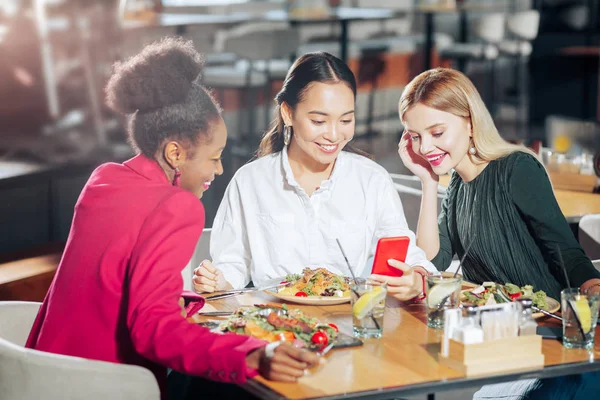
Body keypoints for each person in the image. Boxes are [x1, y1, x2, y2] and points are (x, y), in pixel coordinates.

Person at [25, 38, 319, 400]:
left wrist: (177, 299)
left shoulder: (103, 179)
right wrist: (253, 354)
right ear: (175, 153)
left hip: (40, 373)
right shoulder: (177, 207)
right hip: (102, 386)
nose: (220, 168)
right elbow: (152, 329)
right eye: (214, 157)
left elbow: (110, 281)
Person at [397, 67, 600, 399]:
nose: (425, 146)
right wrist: (428, 182)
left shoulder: (517, 169)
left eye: (436, 132)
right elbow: (433, 260)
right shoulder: (458, 187)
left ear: (470, 122)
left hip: (552, 344)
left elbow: (569, 255)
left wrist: (592, 287)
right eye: (415, 136)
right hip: (503, 343)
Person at [194, 51, 436, 301]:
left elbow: (405, 256)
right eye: (319, 121)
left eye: (346, 120)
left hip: (347, 317)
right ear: (288, 113)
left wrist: (416, 279)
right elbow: (233, 263)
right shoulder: (250, 181)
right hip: (275, 318)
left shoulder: (371, 179)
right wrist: (217, 279)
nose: (333, 135)